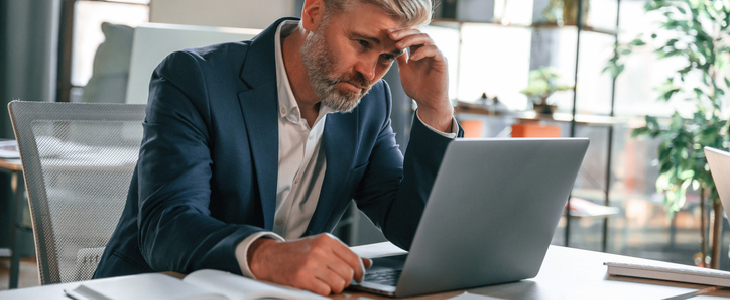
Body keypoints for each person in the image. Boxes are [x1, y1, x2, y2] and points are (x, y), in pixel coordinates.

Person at [94, 0, 463, 295]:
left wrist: (435, 109)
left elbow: (411, 228)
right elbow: (167, 228)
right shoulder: (194, 77)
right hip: (157, 288)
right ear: (314, 13)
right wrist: (268, 255)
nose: (369, 72)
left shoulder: (370, 102)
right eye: (362, 43)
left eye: (386, 58)